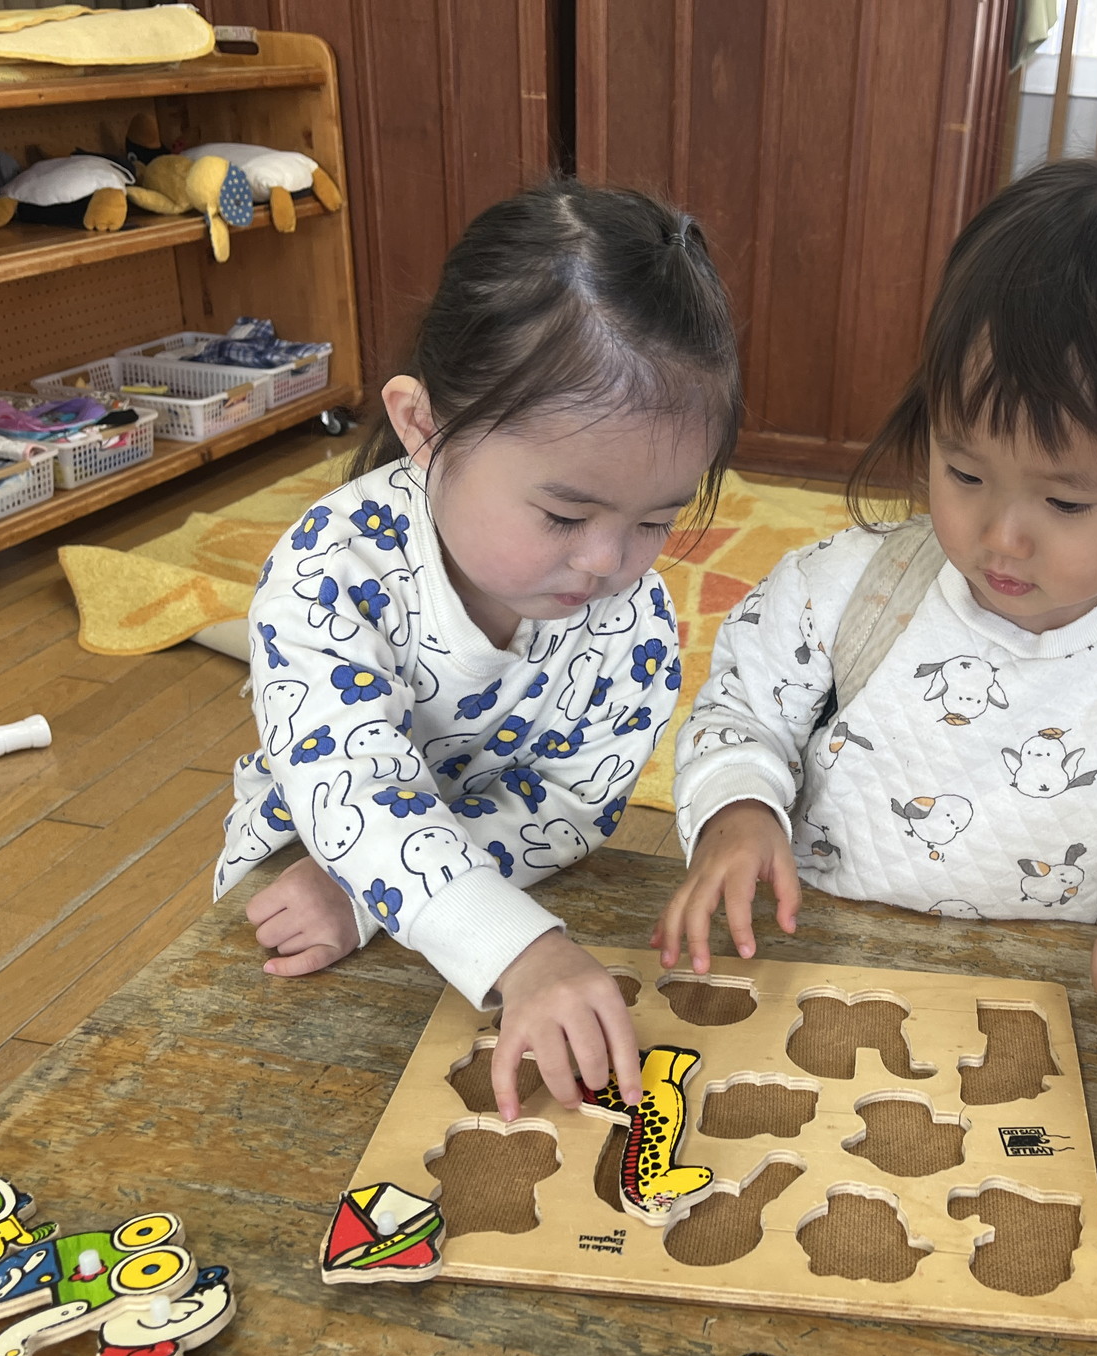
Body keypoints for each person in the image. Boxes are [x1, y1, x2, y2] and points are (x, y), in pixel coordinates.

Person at [653, 158, 1097, 1052]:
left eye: (1066, 501)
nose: (1002, 537)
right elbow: (741, 713)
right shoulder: (841, 591)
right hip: (800, 978)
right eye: (965, 471)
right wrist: (738, 814)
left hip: (1024, 1025)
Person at [214, 179, 740, 1116]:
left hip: (473, 896)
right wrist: (517, 948)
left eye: (655, 521)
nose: (608, 561)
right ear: (424, 428)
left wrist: (385, 903)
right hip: (301, 880)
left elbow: (572, 807)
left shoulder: (635, 620)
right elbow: (351, 787)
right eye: (565, 514)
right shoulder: (333, 569)